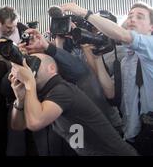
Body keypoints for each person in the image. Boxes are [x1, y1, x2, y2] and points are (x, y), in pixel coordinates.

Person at [62, 2, 153, 155]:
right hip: (133, 135)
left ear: (151, 27)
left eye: (140, 17)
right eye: (130, 16)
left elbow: (122, 35)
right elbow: (111, 93)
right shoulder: (126, 61)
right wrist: (96, 58)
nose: (132, 19)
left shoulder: (150, 46)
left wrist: (85, 13)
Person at [9, 53, 138, 155]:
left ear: (51, 68)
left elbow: (35, 122)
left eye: (35, 63)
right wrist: (20, 99)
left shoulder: (62, 90)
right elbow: (18, 126)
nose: (30, 69)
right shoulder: (44, 94)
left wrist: (29, 83)